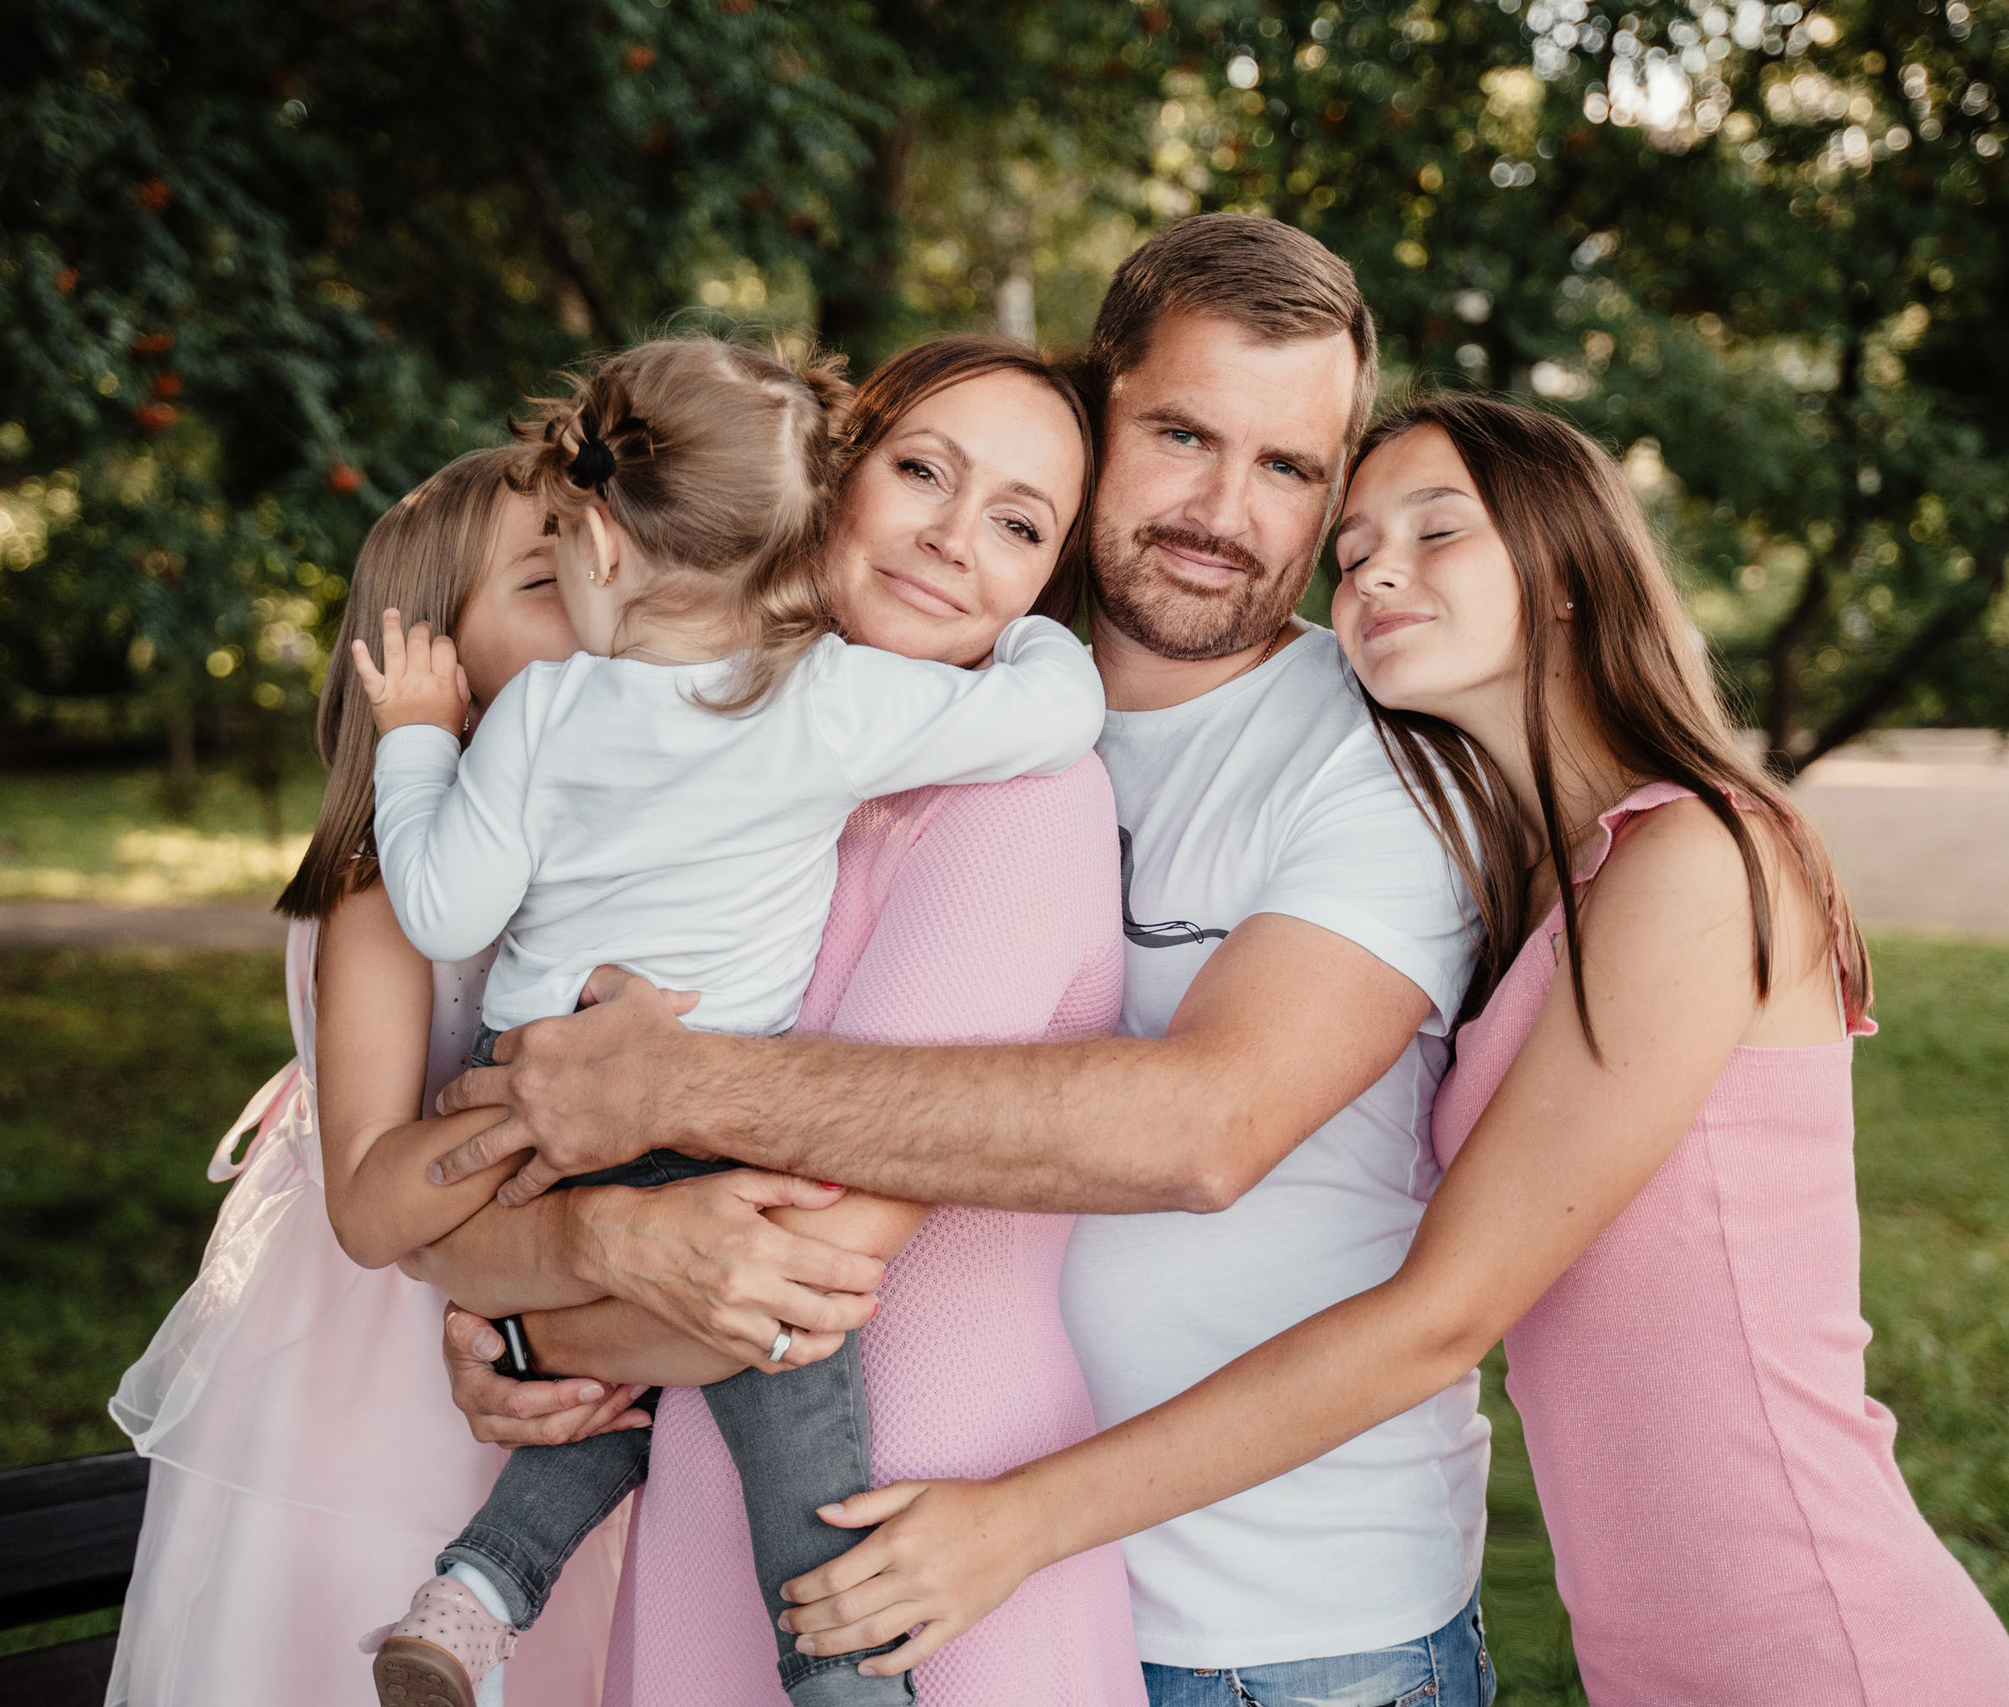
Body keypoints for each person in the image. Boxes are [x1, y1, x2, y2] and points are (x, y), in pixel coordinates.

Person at [762, 394, 2009, 1707]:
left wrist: (1015, 1522)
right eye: (1355, 543)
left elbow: (1443, 1317)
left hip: (1822, 1631)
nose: (1376, 569)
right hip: (1656, 1650)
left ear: (1565, 575)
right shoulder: (1541, 880)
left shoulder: (1700, 857)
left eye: (1438, 531)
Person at [418, 215, 1499, 1707]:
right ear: (1094, 409)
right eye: (1182, 433)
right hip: (890, 1520)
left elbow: (1201, 1130)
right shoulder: (864, 727)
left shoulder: (1367, 760)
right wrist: (541, 1315)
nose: (1224, 508)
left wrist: (655, 1103)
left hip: (1274, 1619)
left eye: (1290, 467)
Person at [349, 333, 1106, 1707]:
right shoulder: (834, 707)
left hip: (928, 1501)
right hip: (703, 1476)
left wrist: (526, 1324)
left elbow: (784, 1268)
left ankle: (490, 1589)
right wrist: (1054, 636)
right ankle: (808, 1668)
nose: (952, 540)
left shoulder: (553, 708)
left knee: (772, 1345)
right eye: (923, 470)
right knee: (771, 1387)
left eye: (1022, 526)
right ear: (823, 493)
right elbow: (1058, 702)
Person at [105, 444, 644, 1707]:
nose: (605, 599)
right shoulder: (388, 888)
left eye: (605, 563)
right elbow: (367, 1204)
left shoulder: (603, 838)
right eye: (544, 580)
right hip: (380, 1379)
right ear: (428, 661)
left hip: (546, 1326)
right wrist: (557, 1096)